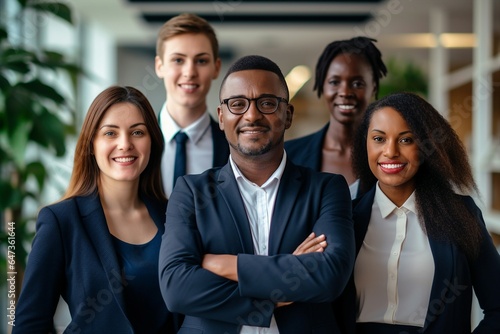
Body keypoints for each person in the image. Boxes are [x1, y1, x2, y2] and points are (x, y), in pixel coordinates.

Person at [158, 55, 355, 334]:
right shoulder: (191, 191)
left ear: (287, 114)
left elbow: (330, 275)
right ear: (222, 116)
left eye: (267, 103)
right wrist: (272, 299)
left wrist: (228, 264)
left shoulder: (326, 189)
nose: (252, 115)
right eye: (237, 104)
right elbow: (176, 288)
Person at [14, 86, 181, 333]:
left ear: (152, 142)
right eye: (110, 133)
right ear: (92, 144)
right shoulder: (61, 221)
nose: (125, 144)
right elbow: (29, 325)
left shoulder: (175, 216)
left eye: (137, 132)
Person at [347, 92, 500, 333]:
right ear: (364, 143)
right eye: (379, 139)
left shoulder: (461, 213)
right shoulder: (344, 216)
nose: (390, 152)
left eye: (406, 140)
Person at [285, 36, 387, 198]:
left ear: (373, 87)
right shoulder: (288, 155)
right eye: (334, 82)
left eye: (357, 84)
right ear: (322, 86)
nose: (345, 92)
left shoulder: (389, 154)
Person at [155, 13, 230, 197]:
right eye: (178, 60)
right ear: (159, 66)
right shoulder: (134, 144)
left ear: (216, 68)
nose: (189, 72)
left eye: (201, 61)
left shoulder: (233, 149)